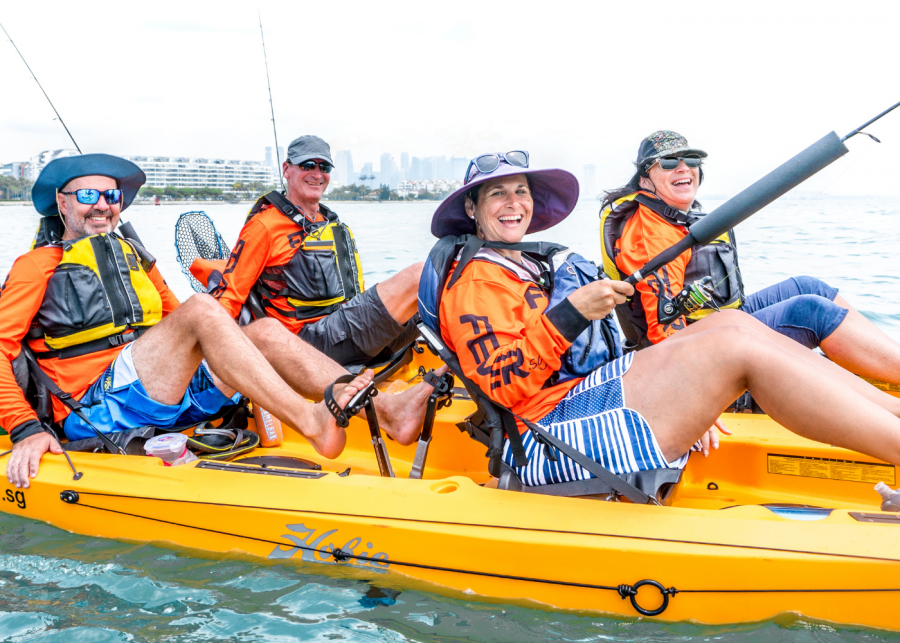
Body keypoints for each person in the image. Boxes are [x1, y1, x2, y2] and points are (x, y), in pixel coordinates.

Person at [432, 152, 900, 486]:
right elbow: (500, 385)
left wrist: (680, 395)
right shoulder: (476, 282)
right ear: (472, 209)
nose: (514, 203)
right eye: (497, 194)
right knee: (733, 349)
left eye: (520, 191)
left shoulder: (524, 263)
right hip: (543, 439)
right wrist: (572, 314)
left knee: (730, 325)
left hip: (587, 394)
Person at [0, 154, 440, 489]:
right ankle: (311, 422)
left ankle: (387, 412)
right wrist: (27, 430)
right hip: (97, 410)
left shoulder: (135, 258)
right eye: (88, 195)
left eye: (111, 196)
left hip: (160, 393)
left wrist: (241, 357)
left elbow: (179, 326)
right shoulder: (36, 265)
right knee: (204, 308)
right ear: (62, 203)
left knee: (265, 330)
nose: (102, 207)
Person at [599, 130, 900, 387]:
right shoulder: (648, 230)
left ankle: (887, 363)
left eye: (691, 161)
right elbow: (663, 326)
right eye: (667, 163)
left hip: (720, 321)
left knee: (809, 286)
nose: (683, 168)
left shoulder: (670, 215)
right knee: (811, 311)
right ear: (645, 179)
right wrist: (687, 391)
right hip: (695, 352)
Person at [211, 135, 422, 367]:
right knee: (420, 276)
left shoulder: (328, 223)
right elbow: (229, 296)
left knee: (436, 292)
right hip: (306, 345)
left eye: (324, 167)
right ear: (286, 169)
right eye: (307, 165)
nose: (317, 174)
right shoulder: (263, 227)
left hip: (346, 332)